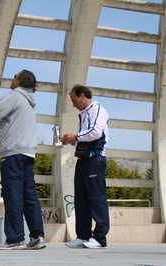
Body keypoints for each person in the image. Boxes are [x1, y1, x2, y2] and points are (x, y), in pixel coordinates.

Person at [0, 69, 46, 250]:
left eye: (15, 76)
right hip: (27, 153)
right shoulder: (30, 101)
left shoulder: (15, 95)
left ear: (20, 81)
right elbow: (3, 122)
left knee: (13, 196)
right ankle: (37, 236)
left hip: (13, 154)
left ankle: (15, 238)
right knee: (29, 196)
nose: (12, 78)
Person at [61, 84, 110, 249]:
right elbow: (83, 140)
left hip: (95, 159)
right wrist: (71, 140)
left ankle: (100, 237)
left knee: (96, 198)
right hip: (83, 159)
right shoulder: (84, 114)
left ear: (83, 96)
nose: (73, 105)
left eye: (74, 101)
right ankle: (83, 235)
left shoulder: (97, 110)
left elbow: (95, 132)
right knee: (81, 199)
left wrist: (76, 136)